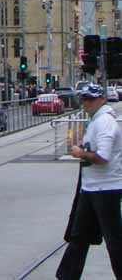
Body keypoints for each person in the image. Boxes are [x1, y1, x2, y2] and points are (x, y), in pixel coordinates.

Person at [56, 83, 122, 280]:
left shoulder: (105, 123)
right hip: (92, 188)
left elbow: (103, 157)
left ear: (101, 99)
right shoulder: (96, 120)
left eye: (90, 99)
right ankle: (67, 276)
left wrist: (80, 153)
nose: (86, 103)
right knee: (79, 235)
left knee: (114, 240)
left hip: (105, 189)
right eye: (84, 99)